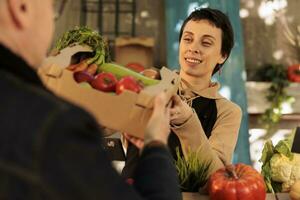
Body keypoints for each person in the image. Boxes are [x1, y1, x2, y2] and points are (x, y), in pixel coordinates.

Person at [0, 0, 181, 199]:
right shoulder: (54, 127)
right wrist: (156, 144)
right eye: (52, 8)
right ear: (21, 7)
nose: (52, 20)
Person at [122, 7, 242, 186]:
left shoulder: (228, 112)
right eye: (188, 39)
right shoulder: (151, 82)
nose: (193, 48)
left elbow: (216, 178)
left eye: (206, 43)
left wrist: (188, 123)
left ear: (222, 55)